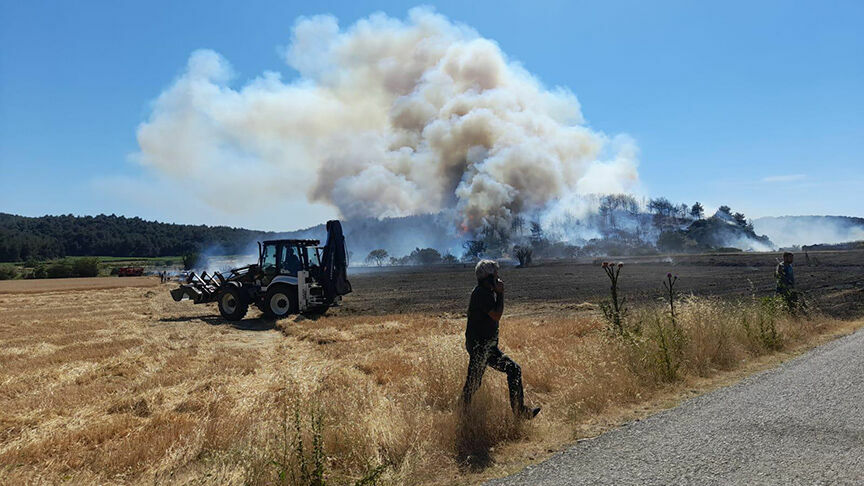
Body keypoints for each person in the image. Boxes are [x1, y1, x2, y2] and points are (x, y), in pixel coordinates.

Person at [461, 259, 540, 419]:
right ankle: (519, 412)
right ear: (487, 278)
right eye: (495, 275)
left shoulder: (484, 292)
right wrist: (501, 294)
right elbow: (496, 315)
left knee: (473, 384)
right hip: (481, 346)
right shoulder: (482, 294)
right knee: (513, 370)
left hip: (484, 345)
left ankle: (462, 414)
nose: (498, 279)